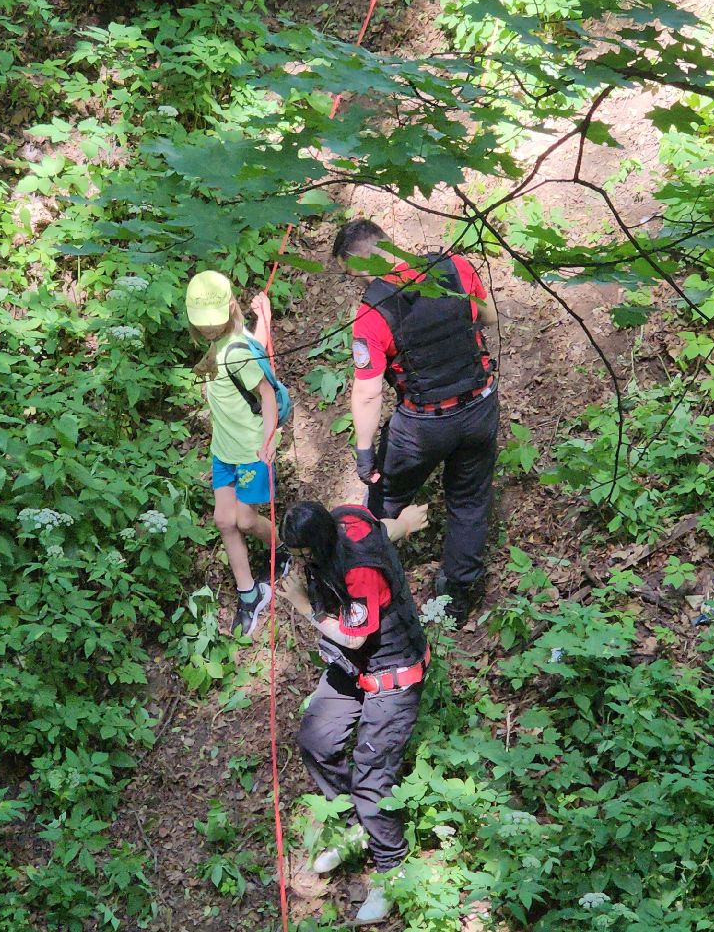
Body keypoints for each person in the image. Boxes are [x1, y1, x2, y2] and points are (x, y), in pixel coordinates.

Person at [335, 219, 502, 624]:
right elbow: (489, 317)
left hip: (424, 423)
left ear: (361, 266)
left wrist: (364, 452)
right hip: (479, 405)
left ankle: (364, 588)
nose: (355, 284)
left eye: (351, 275)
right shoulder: (454, 267)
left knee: (383, 499)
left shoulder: (373, 313)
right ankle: (458, 597)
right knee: (469, 500)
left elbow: (369, 391)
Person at [278, 498, 432, 925]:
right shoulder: (341, 521)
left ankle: (391, 870)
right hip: (352, 670)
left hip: (392, 672)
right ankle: (354, 826)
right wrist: (402, 523)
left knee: (372, 775)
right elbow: (382, 529)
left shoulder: (358, 569)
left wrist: (302, 604)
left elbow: (353, 638)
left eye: (298, 554)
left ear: (318, 542)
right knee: (316, 738)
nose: (295, 561)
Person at [185, 269, 281, 636]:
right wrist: (265, 322)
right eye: (203, 325)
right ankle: (249, 592)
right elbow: (253, 345)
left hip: (249, 452)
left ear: (230, 309)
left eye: (214, 323)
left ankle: (286, 546)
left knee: (243, 520)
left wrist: (269, 439)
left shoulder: (235, 350)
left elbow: (266, 392)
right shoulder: (227, 341)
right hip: (222, 452)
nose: (209, 330)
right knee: (225, 521)